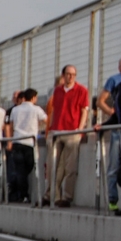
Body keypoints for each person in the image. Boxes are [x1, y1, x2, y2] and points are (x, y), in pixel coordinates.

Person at [46, 65, 90, 207]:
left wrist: (80, 129)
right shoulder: (57, 91)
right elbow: (54, 111)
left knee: (70, 168)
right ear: (63, 75)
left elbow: (84, 111)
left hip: (72, 132)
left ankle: (67, 197)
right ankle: (53, 195)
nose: (70, 77)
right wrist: (51, 128)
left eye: (73, 74)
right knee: (52, 166)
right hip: (57, 131)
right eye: (68, 74)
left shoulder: (82, 90)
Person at [6, 88, 47, 204]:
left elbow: (12, 125)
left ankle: (22, 194)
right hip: (30, 143)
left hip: (17, 141)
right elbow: (46, 120)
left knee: (20, 170)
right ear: (33, 98)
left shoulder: (15, 110)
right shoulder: (36, 109)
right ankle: (23, 194)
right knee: (28, 167)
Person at [96, 55, 121, 214]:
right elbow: (100, 101)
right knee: (114, 167)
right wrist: (110, 115)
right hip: (118, 131)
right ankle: (113, 202)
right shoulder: (115, 82)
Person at [3, 89, 25, 201]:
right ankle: (12, 193)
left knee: (22, 169)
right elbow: (7, 126)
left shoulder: (26, 110)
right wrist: (9, 141)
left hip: (24, 142)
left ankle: (22, 193)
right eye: (14, 97)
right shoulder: (10, 111)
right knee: (12, 169)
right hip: (13, 142)